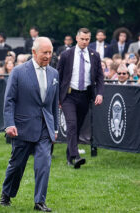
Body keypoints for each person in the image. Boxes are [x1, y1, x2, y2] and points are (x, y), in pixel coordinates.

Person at [0, 37, 59, 212]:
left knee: (44, 164)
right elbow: (9, 100)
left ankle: (39, 201)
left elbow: (54, 103)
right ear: (34, 52)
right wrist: (9, 124)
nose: (48, 56)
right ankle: (6, 193)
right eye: (44, 52)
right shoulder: (18, 72)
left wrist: (54, 127)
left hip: (45, 128)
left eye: (50, 52)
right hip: (22, 127)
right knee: (17, 165)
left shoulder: (54, 74)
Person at [57, 28, 104, 169]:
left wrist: (100, 93)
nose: (84, 41)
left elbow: (100, 77)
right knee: (71, 124)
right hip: (69, 96)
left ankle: (69, 156)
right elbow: (58, 77)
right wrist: (58, 98)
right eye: (82, 39)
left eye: (87, 39)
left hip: (85, 95)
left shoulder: (94, 55)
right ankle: (76, 156)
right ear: (76, 38)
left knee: (77, 127)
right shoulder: (66, 55)